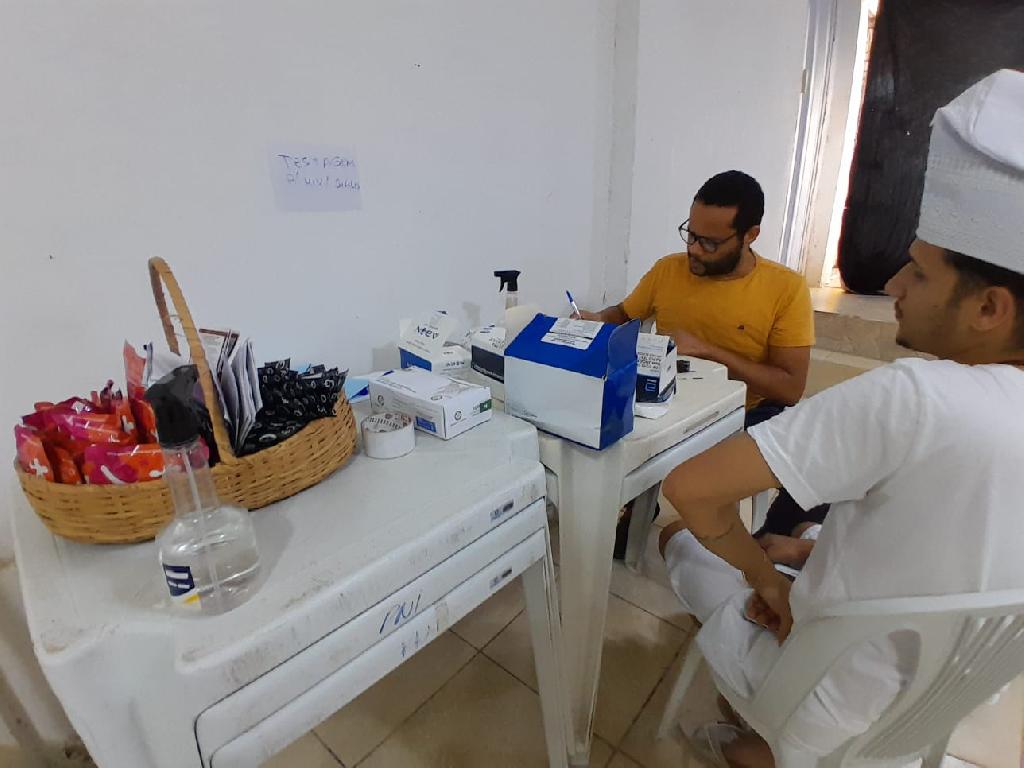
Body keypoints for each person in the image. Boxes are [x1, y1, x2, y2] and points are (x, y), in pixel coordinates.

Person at [658, 68, 1024, 767]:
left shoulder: (915, 396)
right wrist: (803, 551)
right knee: (795, 533)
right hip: (948, 700)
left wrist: (769, 582)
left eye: (920, 272)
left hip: (820, 695)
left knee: (681, 534)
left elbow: (690, 489)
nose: (892, 284)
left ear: (989, 308)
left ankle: (758, 741)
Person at [576, 170, 821, 549]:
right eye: (690, 235)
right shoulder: (668, 270)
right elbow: (622, 315)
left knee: (809, 452)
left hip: (747, 411)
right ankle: (637, 503)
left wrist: (710, 351)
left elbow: (789, 389)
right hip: (668, 405)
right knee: (597, 420)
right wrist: (593, 320)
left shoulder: (785, 288)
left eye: (710, 242)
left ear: (750, 235)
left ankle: (770, 543)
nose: (694, 250)